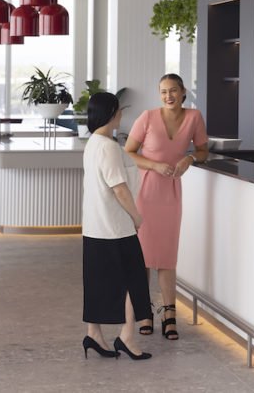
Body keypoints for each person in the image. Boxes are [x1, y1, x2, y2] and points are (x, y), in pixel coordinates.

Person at [124, 73, 208, 340]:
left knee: (167, 255)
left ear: (183, 92)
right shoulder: (147, 117)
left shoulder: (194, 117)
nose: (168, 96)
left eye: (173, 91)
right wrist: (155, 165)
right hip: (146, 191)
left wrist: (190, 158)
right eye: (163, 92)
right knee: (144, 256)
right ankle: (144, 311)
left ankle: (169, 314)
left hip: (171, 193)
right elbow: (128, 151)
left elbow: (204, 150)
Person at [81, 91, 153, 361]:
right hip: (116, 227)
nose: (122, 115)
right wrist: (136, 216)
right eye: (119, 110)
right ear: (111, 113)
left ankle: (94, 333)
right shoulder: (109, 147)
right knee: (133, 280)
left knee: (97, 281)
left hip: (94, 226)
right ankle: (127, 337)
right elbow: (119, 188)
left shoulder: (94, 143)